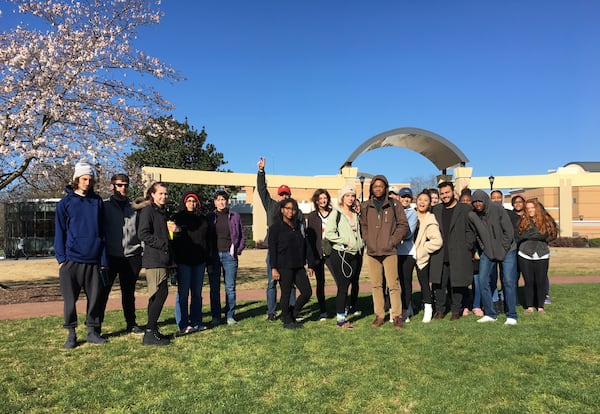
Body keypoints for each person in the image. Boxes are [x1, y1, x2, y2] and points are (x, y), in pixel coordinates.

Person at [54, 158, 107, 348]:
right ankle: (71, 334)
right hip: (71, 261)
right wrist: (61, 259)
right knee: (70, 301)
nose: (88, 182)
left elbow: (103, 231)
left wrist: (103, 260)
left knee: (95, 299)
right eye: (84, 179)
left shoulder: (97, 201)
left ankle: (92, 331)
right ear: (77, 179)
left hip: (93, 260)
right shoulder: (65, 203)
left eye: (90, 179)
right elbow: (60, 231)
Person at [360, 175, 408, 329]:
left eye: (381, 186)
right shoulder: (366, 206)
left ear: (386, 188)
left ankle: (396, 316)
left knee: (393, 284)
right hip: (373, 252)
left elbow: (403, 225)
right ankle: (379, 315)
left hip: (389, 251)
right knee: (376, 285)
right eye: (375, 186)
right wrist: (367, 240)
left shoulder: (395, 204)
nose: (378, 188)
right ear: (372, 188)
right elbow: (363, 226)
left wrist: (392, 241)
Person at [257, 157, 301, 321]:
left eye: (286, 194)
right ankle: (271, 312)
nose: (283, 197)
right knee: (271, 283)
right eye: (281, 194)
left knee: (291, 283)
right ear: (278, 195)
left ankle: (290, 310)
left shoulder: (295, 211)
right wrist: (261, 171)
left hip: (290, 253)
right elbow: (262, 190)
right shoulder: (271, 206)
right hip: (274, 252)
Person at [98, 173, 144, 335]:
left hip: (132, 257)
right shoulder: (103, 206)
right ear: (112, 186)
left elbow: (141, 231)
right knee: (102, 293)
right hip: (110, 256)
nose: (123, 188)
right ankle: (96, 327)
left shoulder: (135, 208)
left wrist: (141, 250)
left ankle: (131, 323)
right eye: (119, 185)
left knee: (129, 293)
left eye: (125, 185)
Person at [469, 190, 519, 325]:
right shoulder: (472, 215)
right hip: (488, 252)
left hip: (507, 250)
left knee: (508, 281)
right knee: (483, 280)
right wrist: (485, 248)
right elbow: (477, 235)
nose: (478, 204)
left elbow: (508, 231)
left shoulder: (497, 209)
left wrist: (503, 250)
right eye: (475, 202)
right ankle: (490, 314)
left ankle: (511, 315)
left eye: (480, 201)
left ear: (485, 200)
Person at [429, 181, 476, 321]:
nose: (445, 196)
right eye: (442, 194)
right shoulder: (436, 210)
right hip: (440, 253)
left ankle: (456, 310)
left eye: (447, 192)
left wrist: (467, 245)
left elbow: (471, 231)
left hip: (459, 252)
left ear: (453, 192)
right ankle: (440, 310)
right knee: (439, 284)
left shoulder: (465, 209)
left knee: (457, 283)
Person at [137, 182, 175, 346]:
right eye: (160, 193)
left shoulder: (161, 212)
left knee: (159, 295)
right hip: (154, 260)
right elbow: (143, 233)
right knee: (159, 294)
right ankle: (149, 333)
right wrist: (162, 244)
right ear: (152, 194)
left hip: (163, 259)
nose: (163, 196)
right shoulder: (148, 210)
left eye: (165, 194)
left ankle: (152, 330)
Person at [268, 198, 314, 329]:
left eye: (293, 209)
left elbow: (307, 246)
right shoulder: (275, 228)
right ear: (282, 210)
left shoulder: (299, 226)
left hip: (299, 266)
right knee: (286, 294)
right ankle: (287, 321)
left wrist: (310, 264)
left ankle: (291, 313)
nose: (291, 211)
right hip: (283, 266)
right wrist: (274, 268)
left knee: (307, 292)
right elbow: (273, 250)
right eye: (287, 208)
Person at [324, 184, 364, 329]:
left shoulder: (355, 213)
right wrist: (344, 242)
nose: (350, 198)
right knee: (343, 286)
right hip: (341, 254)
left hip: (356, 253)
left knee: (352, 282)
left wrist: (360, 243)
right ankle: (340, 319)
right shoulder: (336, 213)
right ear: (342, 197)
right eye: (347, 195)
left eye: (353, 195)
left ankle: (346, 310)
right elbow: (329, 233)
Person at [172, 192, 210, 333]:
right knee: (183, 294)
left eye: (194, 201)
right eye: (189, 201)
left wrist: (208, 257)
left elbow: (207, 240)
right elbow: (173, 242)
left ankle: (197, 321)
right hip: (183, 261)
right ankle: (183, 324)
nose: (191, 203)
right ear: (184, 202)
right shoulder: (177, 218)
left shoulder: (203, 220)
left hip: (199, 261)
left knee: (197, 294)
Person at [207, 190, 246, 326]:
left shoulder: (235, 216)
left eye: (223, 199)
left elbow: (242, 235)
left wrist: (237, 250)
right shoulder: (210, 216)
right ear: (214, 202)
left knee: (230, 287)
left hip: (230, 256)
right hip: (214, 256)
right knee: (214, 288)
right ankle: (216, 317)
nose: (221, 202)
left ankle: (230, 315)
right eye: (218, 199)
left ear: (227, 201)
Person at [517, 199, 557, 314]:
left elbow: (549, 234)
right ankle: (529, 306)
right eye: (528, 208)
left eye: (532, 207)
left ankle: (540, 307)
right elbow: (520, 236)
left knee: (540, 281)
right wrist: (537, 235)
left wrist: (531, 235)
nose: (530, 210)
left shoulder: (546, 220)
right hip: (525, 253)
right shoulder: (523, 221)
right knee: (528, 281)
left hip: (542, 254)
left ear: (537, 208)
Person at [413, 191, 443, 323]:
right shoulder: (410, 215)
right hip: (407, 254)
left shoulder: (430, 219)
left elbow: (437, 241)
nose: (422, 202)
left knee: (424, 284)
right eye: (420, 199)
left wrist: (423, 249)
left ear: (430, 203)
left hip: (421, 256)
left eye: (425, 200)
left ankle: (428, 309)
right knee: (405, 282)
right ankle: (407, 308)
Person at [305, 189, 333, 321]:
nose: (323, 200)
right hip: (318, 254)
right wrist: (310, 261)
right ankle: (323, 311)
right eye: (320, 198)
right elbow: (309, 238)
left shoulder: (334, 214)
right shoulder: (312, 216)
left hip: (332, 251)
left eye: (325, 198)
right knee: (320, 283)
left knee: (340, 280)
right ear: (316, 201)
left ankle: (342, 306)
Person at [396, 187, 418, 322]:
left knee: (406, 282)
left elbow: (408, 233)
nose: (405, 199)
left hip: (407, 253)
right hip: (393, 252)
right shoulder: (394, 210)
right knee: (394, 283)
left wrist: (394, 235)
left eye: (408, 197)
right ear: (399, 198)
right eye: (403, 197)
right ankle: (396, 308)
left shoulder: (412, 213)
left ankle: (406, 310)